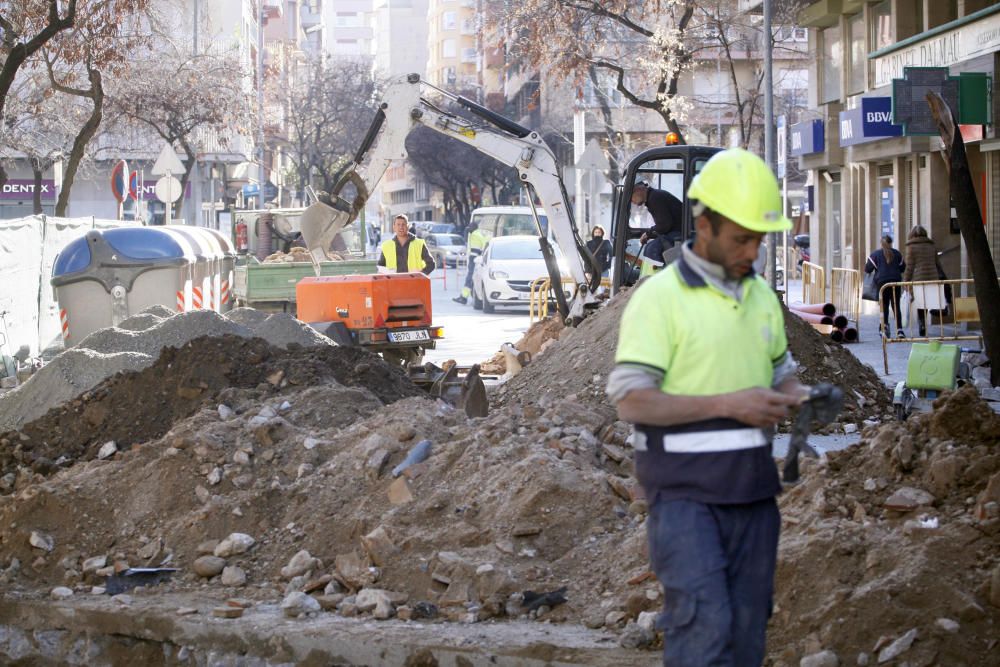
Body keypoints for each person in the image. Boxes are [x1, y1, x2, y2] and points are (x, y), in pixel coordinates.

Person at [607, 148, 806, 666]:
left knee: (745, 639)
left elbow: (784, 373)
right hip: (685, 498)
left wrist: (795, 397)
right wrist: (729, 404)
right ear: (705, 224)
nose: (751, 252)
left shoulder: (761, 296)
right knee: (704, 631)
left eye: (758, 240)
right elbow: (631, 401)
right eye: (741, 239)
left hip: (754, 499)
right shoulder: (660, 300)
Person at [632, 181, 683, 274]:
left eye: (631, 197)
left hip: (681, 232)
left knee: (652, 248)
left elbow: (664, 225)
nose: (632, 201)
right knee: (651, 246)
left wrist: (648, 234)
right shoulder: (654, 197)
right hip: (677, 230)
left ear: (639, 190)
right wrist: (649, 233)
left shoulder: (655, 198)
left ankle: (654, 279)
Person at [865, 234, 906, 338]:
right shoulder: (897, 254)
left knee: (884, 305)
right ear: (891, 243)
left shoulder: (875, 254)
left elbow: (868, 269)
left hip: (882, 282)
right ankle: (899, 330)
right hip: (895, 282)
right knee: (896, 305)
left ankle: (884, 328)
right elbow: (902, 268)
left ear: (881, 243)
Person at [903, 225, 939, 338]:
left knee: (920, 302)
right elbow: (937, 262)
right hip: (933, 276)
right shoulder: (931, 245)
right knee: (927, 301)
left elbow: (909, 266)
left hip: (919, 278)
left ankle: (922, 323)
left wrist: (906, 280)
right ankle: (924, 322)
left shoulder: (911, 247)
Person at [452, 222, 487, 305]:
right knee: (472, 278)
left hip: (474, 259)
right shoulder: (478, 233)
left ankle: (464, 297)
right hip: (479, 259)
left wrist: (472, 259)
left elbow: (475, 250)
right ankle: (465, 296)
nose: (468, 228)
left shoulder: (474, 235)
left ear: (473, 228)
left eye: (470, 227)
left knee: (470, 278)